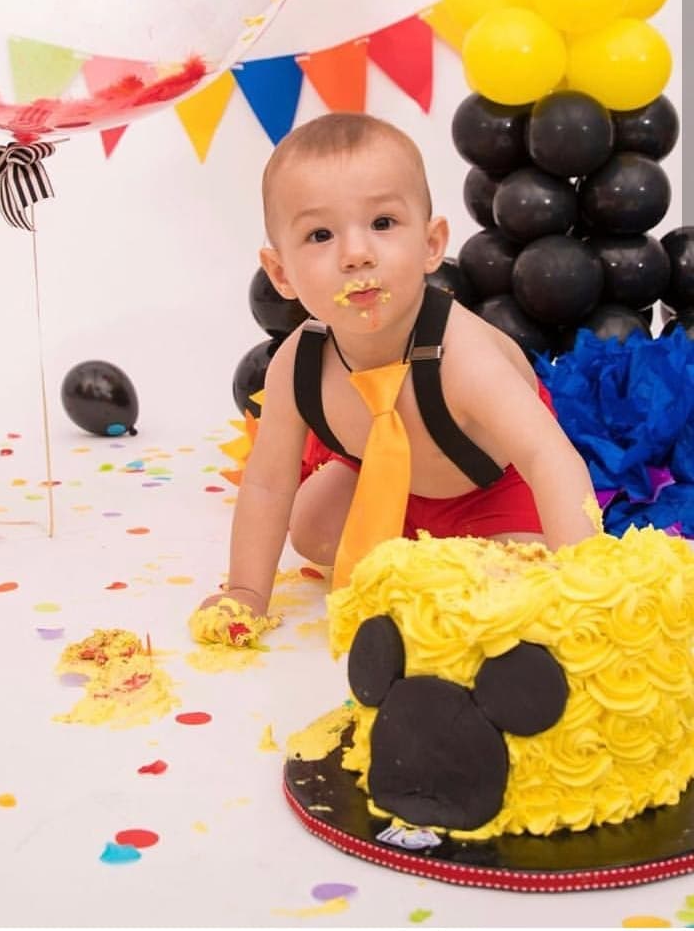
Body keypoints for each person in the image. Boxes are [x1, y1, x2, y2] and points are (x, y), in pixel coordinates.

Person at [199, 112, 600, 623]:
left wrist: (585, 584)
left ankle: (448, 556)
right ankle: (413, 547)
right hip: (388, 483)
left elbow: (548, 458)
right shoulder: (298, 365)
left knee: (511, 581)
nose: (357, 255)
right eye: (320, 235)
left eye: (383, 224)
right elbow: (268, 483)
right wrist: (247, 592)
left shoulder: (463, 353)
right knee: (310, 526)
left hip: (496, 488)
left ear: (431, 244)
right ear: (280, 273)